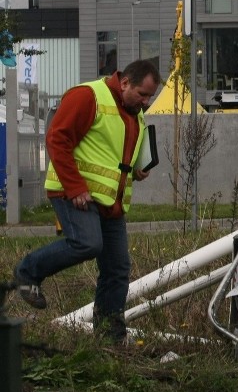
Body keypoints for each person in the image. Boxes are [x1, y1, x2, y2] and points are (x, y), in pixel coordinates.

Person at [14, 59, 161, 342]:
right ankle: (27, 272)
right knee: (87, 243)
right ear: (125, 82)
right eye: (142, 94)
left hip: (110, 203)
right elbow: (57, 139)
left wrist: (136, 168)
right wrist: (75, 187)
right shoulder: (87, 96)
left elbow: (111, 152)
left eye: (149, 97)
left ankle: (110, 336)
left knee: (117, 269)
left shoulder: (133, 111)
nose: (145, 102)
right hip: (75, 194)